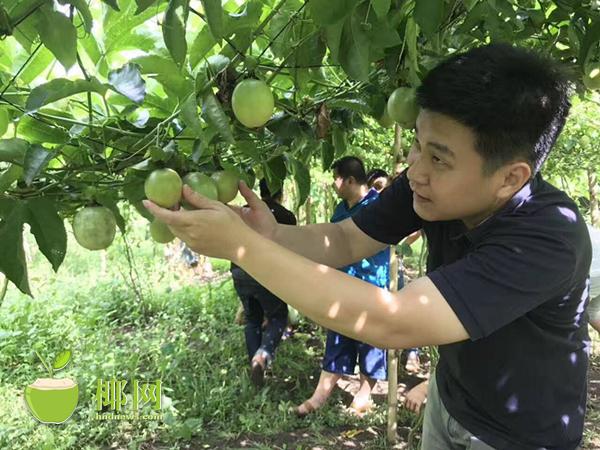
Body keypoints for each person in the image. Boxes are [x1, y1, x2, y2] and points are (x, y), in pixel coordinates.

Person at [144, 44, 592, 449]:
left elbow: (392, 321)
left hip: (522, 435)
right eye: (417, 143)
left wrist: (243, 249)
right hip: (452, 399)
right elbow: (346, 238)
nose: (415, 167)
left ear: (510, 178)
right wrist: (270, 236)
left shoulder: (549, 236)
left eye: (438, 157)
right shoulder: (431, 188)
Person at [295, 157, 390, 416]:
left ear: (349, 180)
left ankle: (364, 394)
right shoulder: (341, 208)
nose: (333, 184)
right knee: (337, 338)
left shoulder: (377, 206)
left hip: (369, 286)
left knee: (369, 341)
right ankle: (319, 397)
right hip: (340, 286)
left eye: (336, 178)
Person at [229, 179, 297, 386]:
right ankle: (262, 355)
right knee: (278, 316)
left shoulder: (242, 212)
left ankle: (254, 362)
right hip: (268, 274)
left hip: (240, 270)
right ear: (281, 193)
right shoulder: (285, 215)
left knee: (252, 319)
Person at [368, 168, 422, 374]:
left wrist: (399, 245)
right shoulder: (374, 207)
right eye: (374, 188)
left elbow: (416, 230)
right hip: (375, 268)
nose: (378, 192)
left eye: (381, 186)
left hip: (392, 264)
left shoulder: (399, 205)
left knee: (403, 305)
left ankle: (412, 351)